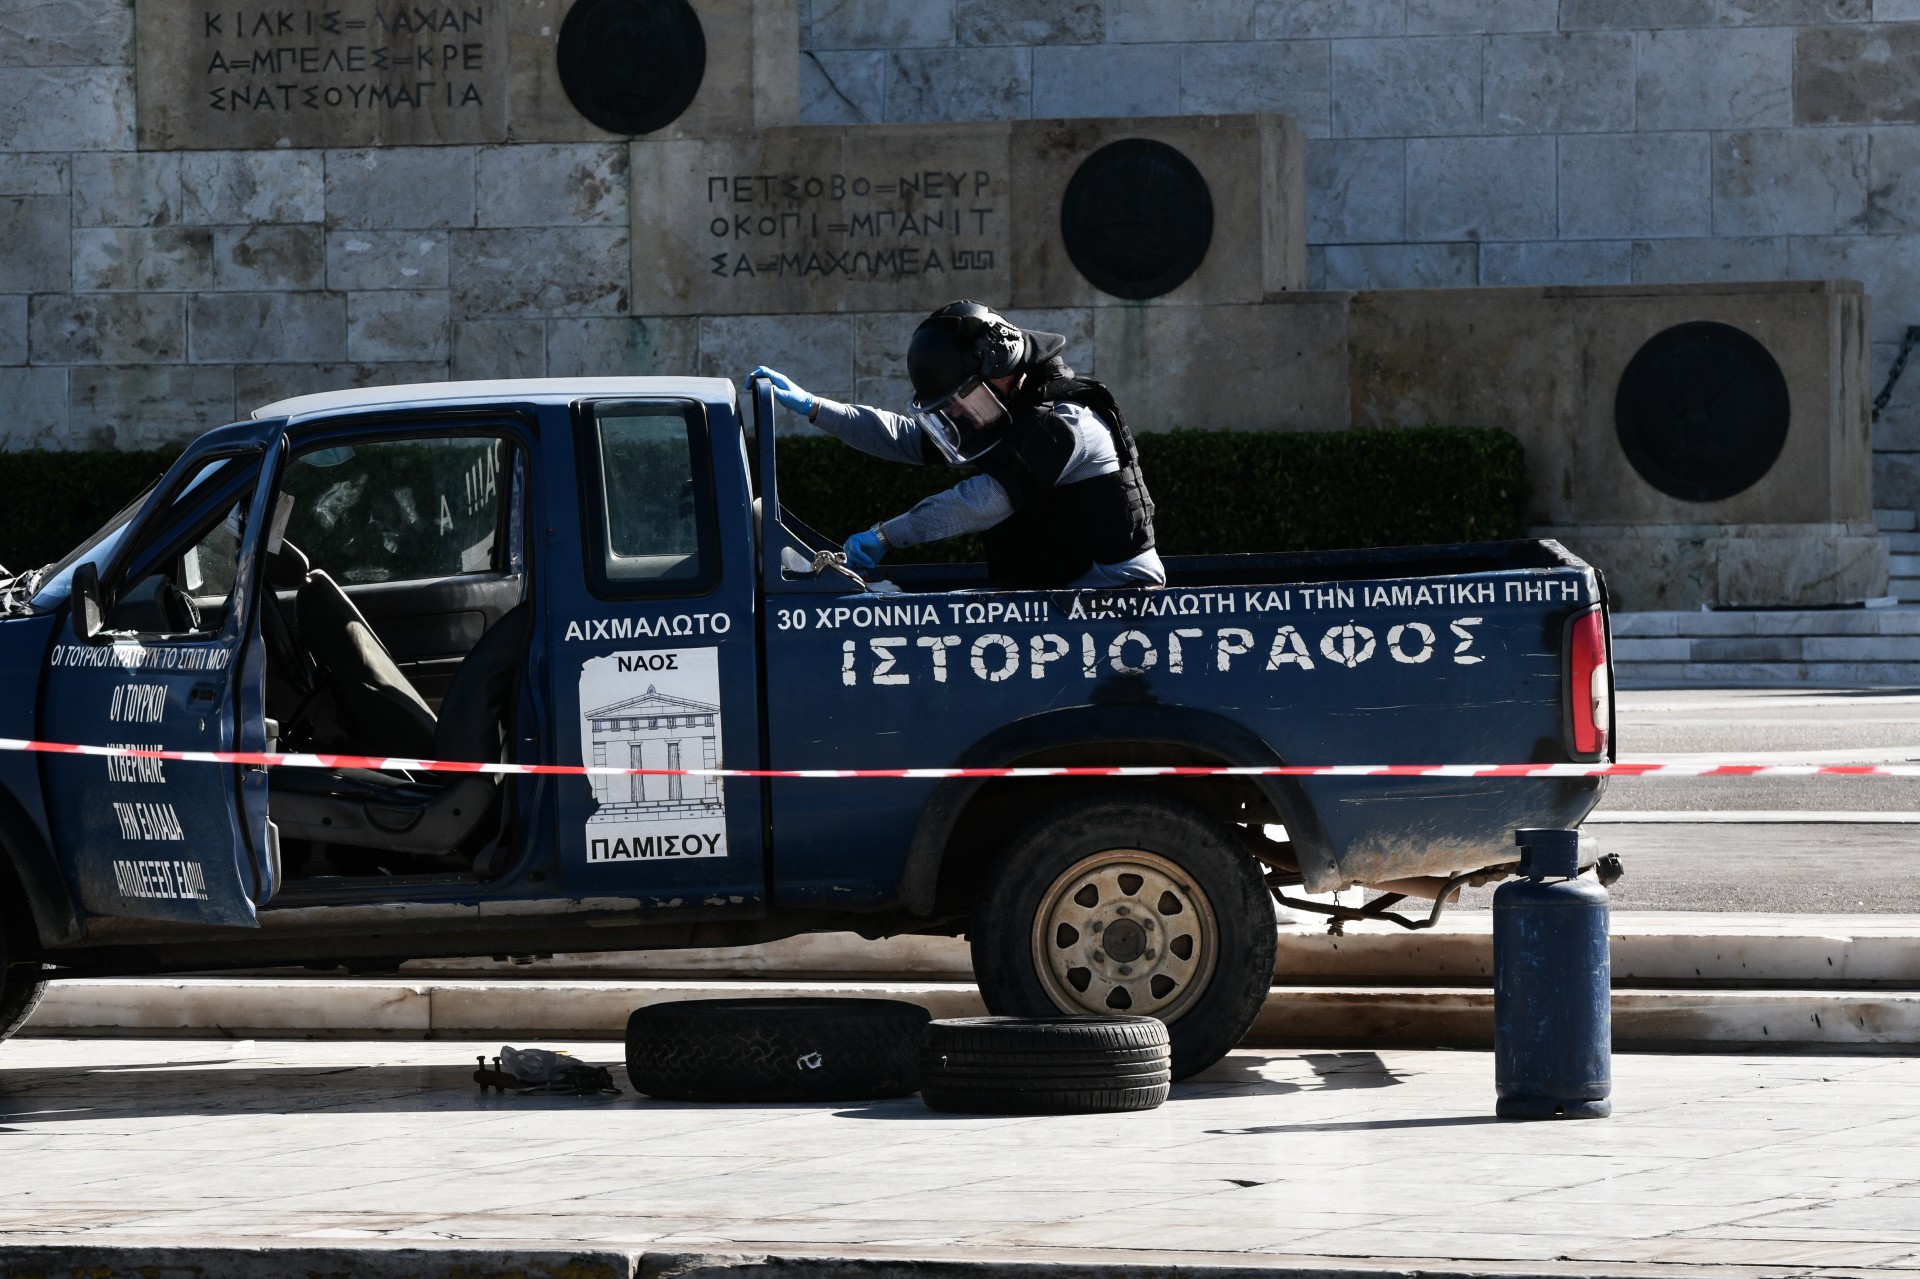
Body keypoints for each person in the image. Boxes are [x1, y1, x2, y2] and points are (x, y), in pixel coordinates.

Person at [747, 301, 1162, 590]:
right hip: (1058, 599)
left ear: (1000, 364)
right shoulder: (1008, 411)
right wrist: (816, 407)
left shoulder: (1064, 425)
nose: (959, 414)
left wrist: (885, 535)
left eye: (962, 399)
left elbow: (982, 501)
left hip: (1117, 602)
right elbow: (908, 438)